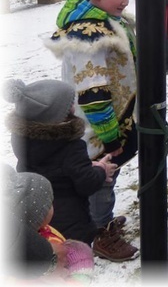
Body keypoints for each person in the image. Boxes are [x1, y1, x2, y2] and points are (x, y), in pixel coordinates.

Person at [45, 0, 139, 261]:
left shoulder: (108, 20)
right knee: (102, 176)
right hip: (97, 127)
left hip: (112, 118)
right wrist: (110, 136)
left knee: (106, 175)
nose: (125, 2)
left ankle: (96, 221)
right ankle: (100, 232)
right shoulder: (91, 35)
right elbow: (93, 93)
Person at [4, 78, 117, 245]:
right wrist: (102, 171)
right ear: (56, 114)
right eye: (70, 104)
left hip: (40, 213)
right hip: (72, 221)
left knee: (54, 260)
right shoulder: (70, 145)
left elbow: (55, 167)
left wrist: (84, 166)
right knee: (75, 261)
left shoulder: (22, 138)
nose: (73, 106)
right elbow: (87, 183)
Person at [4, 164, 97, 282]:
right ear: (38, 217)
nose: (53, 204)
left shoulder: (36, 235)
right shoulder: (42, 250)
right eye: (49, 204)